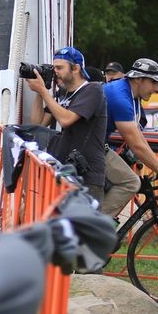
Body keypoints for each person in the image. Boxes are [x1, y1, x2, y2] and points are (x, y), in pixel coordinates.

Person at [100, 58, 158, 218]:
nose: (157, 88)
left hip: (95, 145)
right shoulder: (120, 97)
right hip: (88, 148)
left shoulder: (129, 94)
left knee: (130, 181)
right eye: (153, 82)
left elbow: (138, 136)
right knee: (130, 182)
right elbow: (136, 144)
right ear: (139, 79)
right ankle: (96, 227)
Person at [26, 47, 107, 202]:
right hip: (63, 171)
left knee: (82, 226)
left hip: (86, 175)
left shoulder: (92, 90)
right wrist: (39, 92)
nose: (55, 71)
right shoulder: (63, 94)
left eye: (59, 68)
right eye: (54, 67)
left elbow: (66, 120)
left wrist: (43, 91)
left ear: (76, 68)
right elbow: (38, 124)